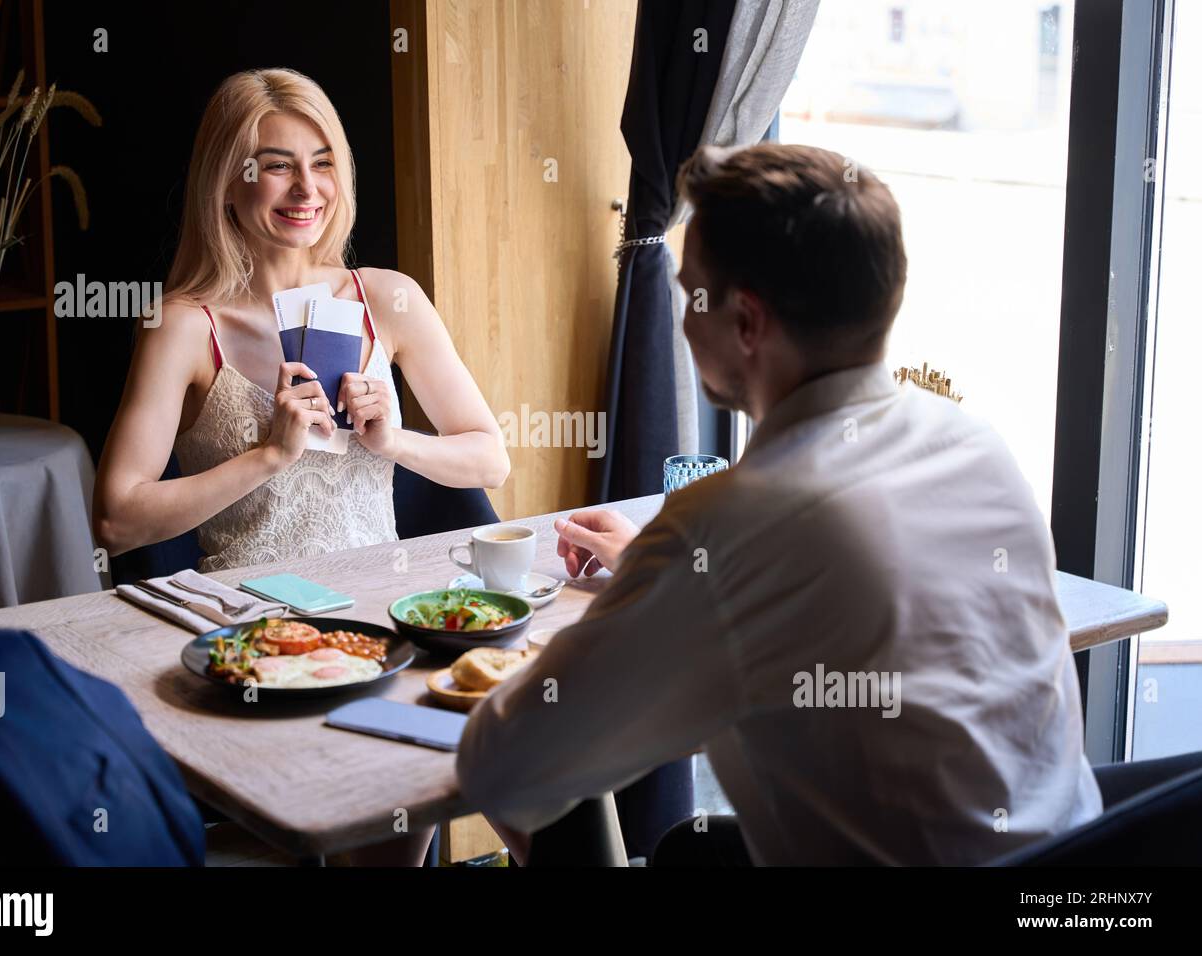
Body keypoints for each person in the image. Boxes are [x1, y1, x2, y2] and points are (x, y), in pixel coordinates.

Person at [455, 142, 1102, 865]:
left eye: (690, 293)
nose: (683, 319)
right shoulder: (975, 444)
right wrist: (655, 568)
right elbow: (835, 591)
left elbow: (502, 765)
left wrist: (645, 598)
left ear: (747, 323)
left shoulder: (736, 523)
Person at [93, 68, 509, 571]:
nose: (307, 189)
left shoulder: (388, 298)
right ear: (226, 182)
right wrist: (269, 455)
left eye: (323, 163)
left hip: (379, 608)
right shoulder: (184, 327)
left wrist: (393, 441)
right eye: (278, 167)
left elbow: (491, 460)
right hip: (254, 624)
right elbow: (114, 523)